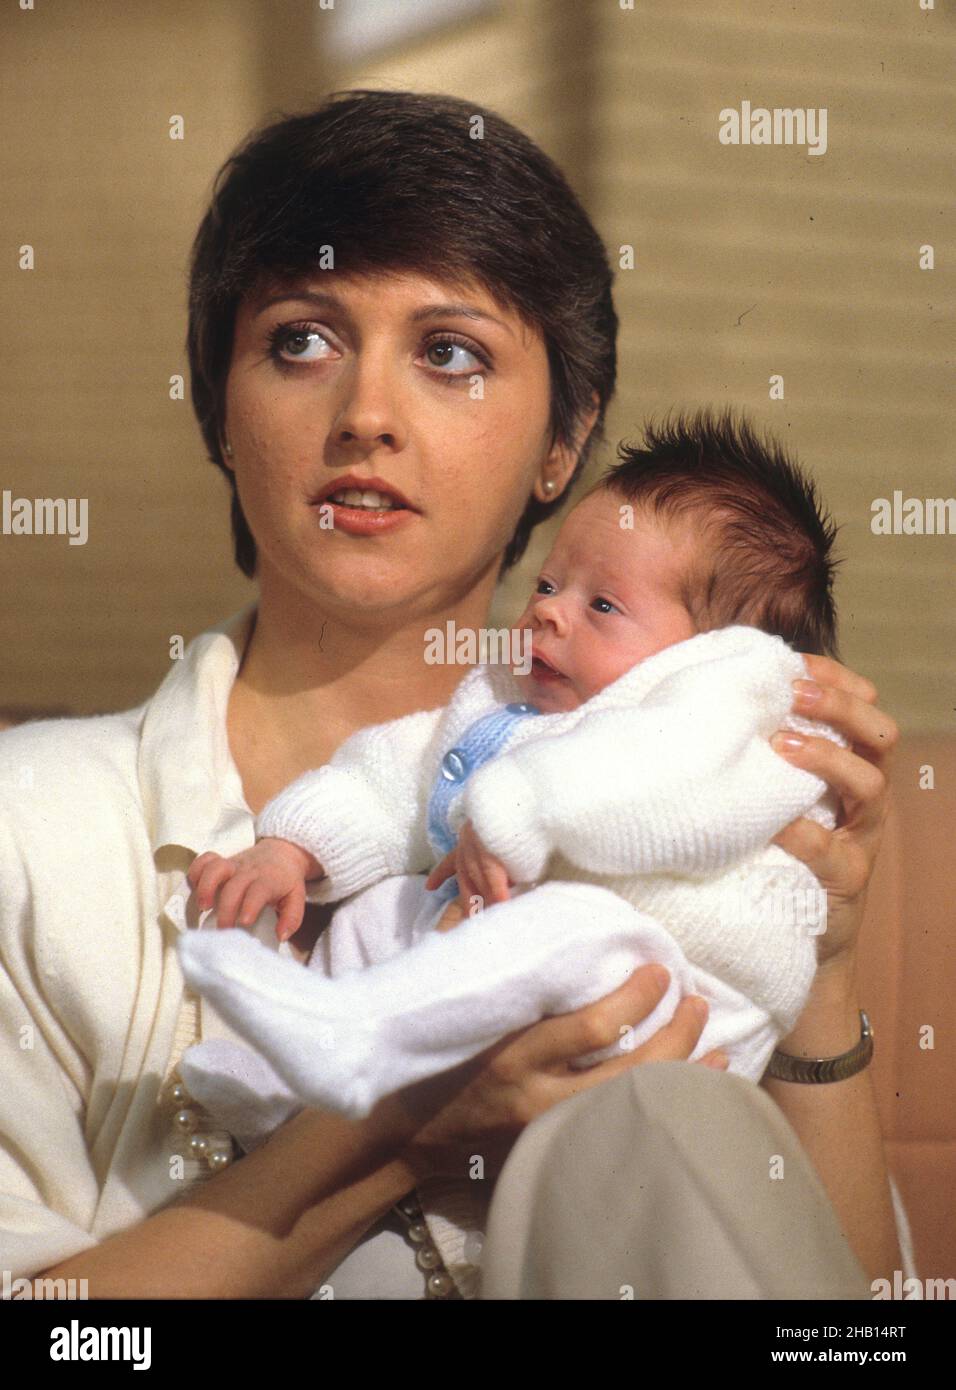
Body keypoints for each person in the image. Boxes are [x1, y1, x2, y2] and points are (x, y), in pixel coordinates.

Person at [0, 89, 903, 1300]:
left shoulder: (671, 798)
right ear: (219, 405)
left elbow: (863, 1324)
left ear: (562, 439)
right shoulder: (35, 830)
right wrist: (399, 1133)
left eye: (451, 353)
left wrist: (820, 979)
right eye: (300, 340)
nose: (365, 416)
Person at [176, 412, 846, 1129]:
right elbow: (403, 779)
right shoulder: (509, 701)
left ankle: (356, 1036)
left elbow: (654, 778)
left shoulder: (737, 709)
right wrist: (293, 846)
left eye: (604, 604)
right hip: (524, 999)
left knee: (577, 920)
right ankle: (292, 1091)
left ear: (714, 651)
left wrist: (517, 810)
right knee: (381, 914)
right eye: (551, 584)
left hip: (674, 994)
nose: (550, 613)